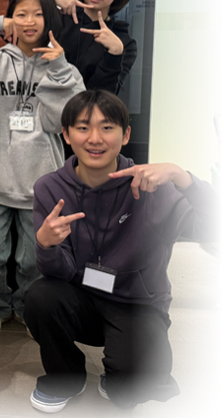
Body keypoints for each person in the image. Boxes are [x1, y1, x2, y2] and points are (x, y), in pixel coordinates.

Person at [26, 90, 217, 412]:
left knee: (133, 387)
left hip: (136, 303)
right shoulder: (50, 188)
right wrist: (46, 245)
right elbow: (58, 273)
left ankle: (119, 375)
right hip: (80, 296)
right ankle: (65, 377)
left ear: (125, 134)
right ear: (66, 135)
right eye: (83, 127)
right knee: (40, 297)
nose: (95, 138)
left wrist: (182, 178)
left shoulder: (154, 187)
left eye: (107, 127)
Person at [0, 0, 84, 337]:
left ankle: (29, 306)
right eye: (21, 13)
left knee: (34, 257)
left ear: (49, 18)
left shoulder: (63, 67)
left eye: (38, 13)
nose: (29, 21)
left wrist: (58, 69)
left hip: (41, 179)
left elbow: (65, 120)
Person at [51, 0, 137, 94]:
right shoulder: (60, 18)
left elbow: (103, 97)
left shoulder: (123, 42)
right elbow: (16, 30)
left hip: (85, 108)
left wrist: (114, 54)